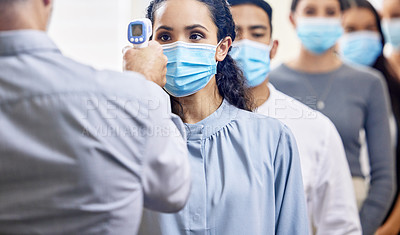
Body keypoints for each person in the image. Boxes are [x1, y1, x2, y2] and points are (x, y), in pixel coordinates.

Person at [0, 0, 191, 234]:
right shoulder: (118, 100)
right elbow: (172, 189)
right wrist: (146, 88)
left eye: (194, 36)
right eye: (164, 36)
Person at [138, 0, 309, 234]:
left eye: (195, 35)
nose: (179, 47)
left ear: (222, 47)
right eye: (165, 37)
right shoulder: (134, 138)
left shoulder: (272, 139)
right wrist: (137, 88)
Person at [229, 0, 361, 234]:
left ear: (273, 47)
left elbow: (340, 226)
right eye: (235, 35)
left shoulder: (314, 128)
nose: (246, 43)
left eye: (257, 33)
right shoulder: (192, 122)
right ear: (220, 46)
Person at [269, 0, 396, 234]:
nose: (320, 19)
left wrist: (362, 227)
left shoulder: (369, 83)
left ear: (342, 18)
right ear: (292, 18)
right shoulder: (270, 82)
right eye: (310, 11)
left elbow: (384, 176)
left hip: (352, 207)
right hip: (286, 205)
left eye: (330, 12)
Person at [339, 1, 400, 234]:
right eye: (351, 30)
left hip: (386, 220)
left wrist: (390, 226)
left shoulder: (390, 87)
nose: (361, 37)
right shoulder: (321, 89)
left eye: (370, 28)